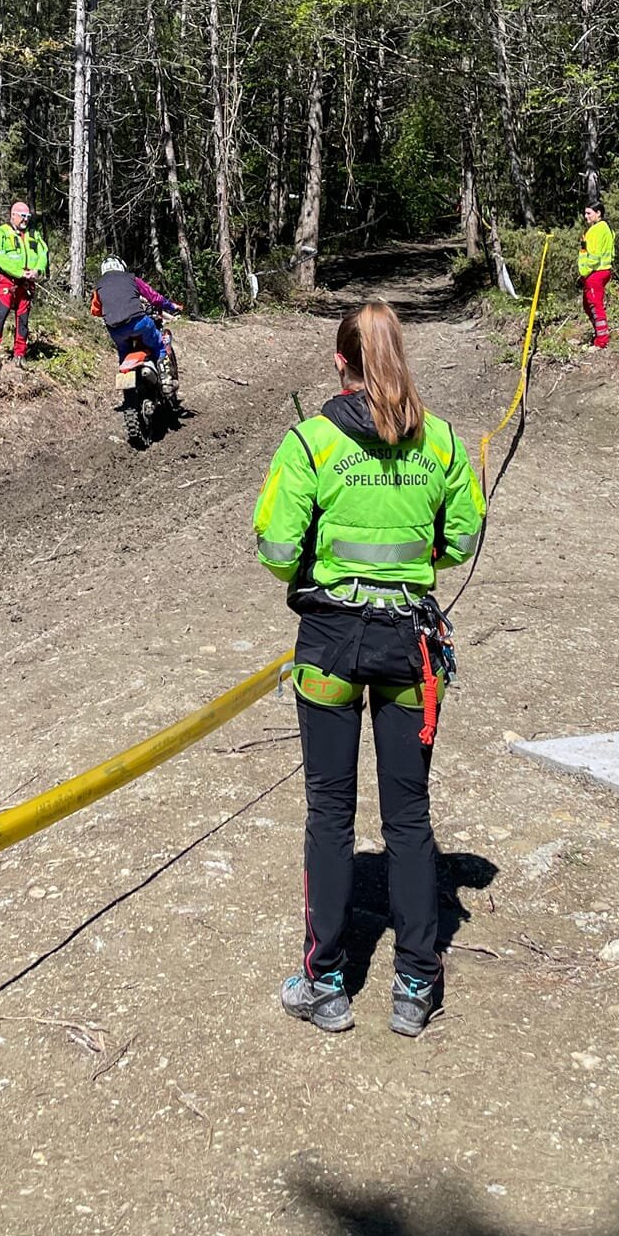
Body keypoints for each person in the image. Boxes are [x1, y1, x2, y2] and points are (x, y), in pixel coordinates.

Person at [252, 300, 486, 1040]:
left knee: (330, 812)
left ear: (339, 361)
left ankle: (326, 984)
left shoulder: (310, 443)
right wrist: (413, 563)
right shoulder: (443, 443)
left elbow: (276, 551)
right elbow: (463, 535)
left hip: (328, 645)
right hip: (409, 648)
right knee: (408, 818)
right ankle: (416, 982)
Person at [90, 258, 183, 395]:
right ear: (121, 266)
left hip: (116, 330)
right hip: (139, 323)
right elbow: (155, 298)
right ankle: (166, 380)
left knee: (124, 352)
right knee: (159, 344)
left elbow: (95, 311)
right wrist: (171, 306)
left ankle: (127, 386)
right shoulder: (131, 278)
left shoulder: (99, 286)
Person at [0, 201, 49, 364]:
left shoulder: (35, 235)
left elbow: (43, 254)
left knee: (23, 319)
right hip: (6, 281)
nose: (25, 220)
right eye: (22, 216)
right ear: (13, 215)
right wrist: (19, 272)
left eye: (28, 216)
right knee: (1, 314)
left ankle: (20, 354)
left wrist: (37, 270)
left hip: (27, 284)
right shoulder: (2, 233)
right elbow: (0, 257)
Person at [578, 203, 615, 349]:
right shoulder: (606, 229)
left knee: (595, 305)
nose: (586, 216)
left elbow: (594, 256)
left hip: (596, 272)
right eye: (585, 213)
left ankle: (601, 341)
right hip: (601, 271)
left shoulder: (597, 230)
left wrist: (584, 273)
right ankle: (599, 334)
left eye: (589, 213)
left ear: (598, 213)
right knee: (588, 305)